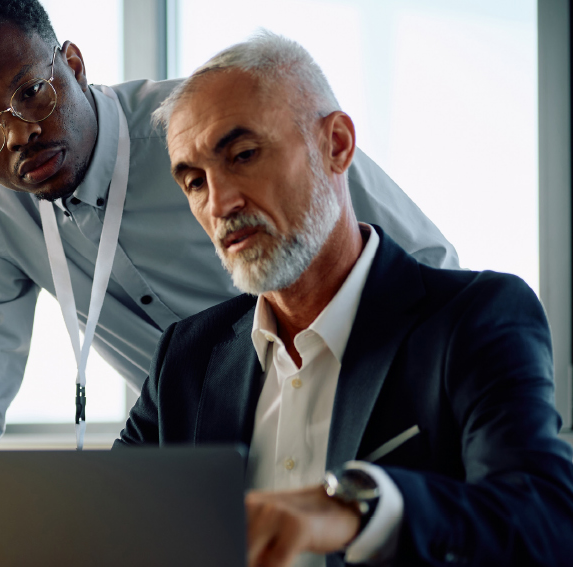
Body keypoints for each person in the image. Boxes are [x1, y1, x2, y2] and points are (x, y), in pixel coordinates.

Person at [0, 0, 459, 450]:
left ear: (74, 64)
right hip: (198, 460)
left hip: (357, 416)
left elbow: (427, 269)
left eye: (32, 92)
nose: (15, 135)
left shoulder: (209, 132)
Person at [116, 32, 573, 567]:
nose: (219, 203)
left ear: (336, 145)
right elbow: (112, 524)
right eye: (193, 182)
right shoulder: (187, 356)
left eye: (242, 155)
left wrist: (355, 510)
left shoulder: (475, 319)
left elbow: (545, 521)